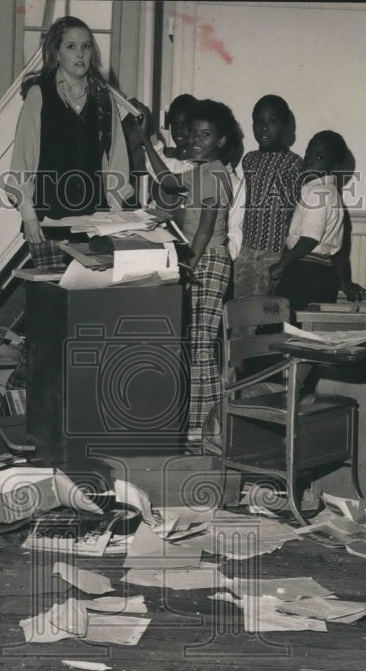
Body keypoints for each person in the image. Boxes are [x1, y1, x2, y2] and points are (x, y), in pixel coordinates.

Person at [136, 100, 244, 444]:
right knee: (198, 345)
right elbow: (167, 181)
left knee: (200, 347)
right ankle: (203, 426)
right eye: (194, 133)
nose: (196, 140)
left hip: (209, 261)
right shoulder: (201, 170)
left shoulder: (214, 173)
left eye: (206, 135)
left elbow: (205, 228)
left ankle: (210, 427)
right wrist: (143, 141)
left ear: (222, 141)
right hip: (204, 260)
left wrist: (189, 266)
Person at [6, 16, 132, 269]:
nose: (81, 54)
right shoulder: (39, 94)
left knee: (88, 304)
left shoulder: (104, 98)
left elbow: (116, 159)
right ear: (56, 52)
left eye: (86, 46)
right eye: (71, 46)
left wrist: (115, 216)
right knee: (53, 301)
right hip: (48, 223)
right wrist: (29, 217)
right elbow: (22, 161)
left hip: (95, 221)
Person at [270, 130, 365, 310]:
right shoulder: (331, 193)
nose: (310, 159)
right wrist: (344, 282)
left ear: (335, 166)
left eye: (319, 157)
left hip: (306, 273)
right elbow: (338, 250)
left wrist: (282, 264)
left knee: (288, 327)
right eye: (308, 153)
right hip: (324, 275)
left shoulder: (318, 193)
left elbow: (309, 239)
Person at [234, 95, 303, 299]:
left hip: (275, 253)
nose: (264, 128)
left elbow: (298, 211)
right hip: (245, 250)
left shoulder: (294, 164)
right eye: (259, 122)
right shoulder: (249, 160)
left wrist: (285, 257)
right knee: (241, 310)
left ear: (285, 127)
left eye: (272, 122)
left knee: (266, 313)